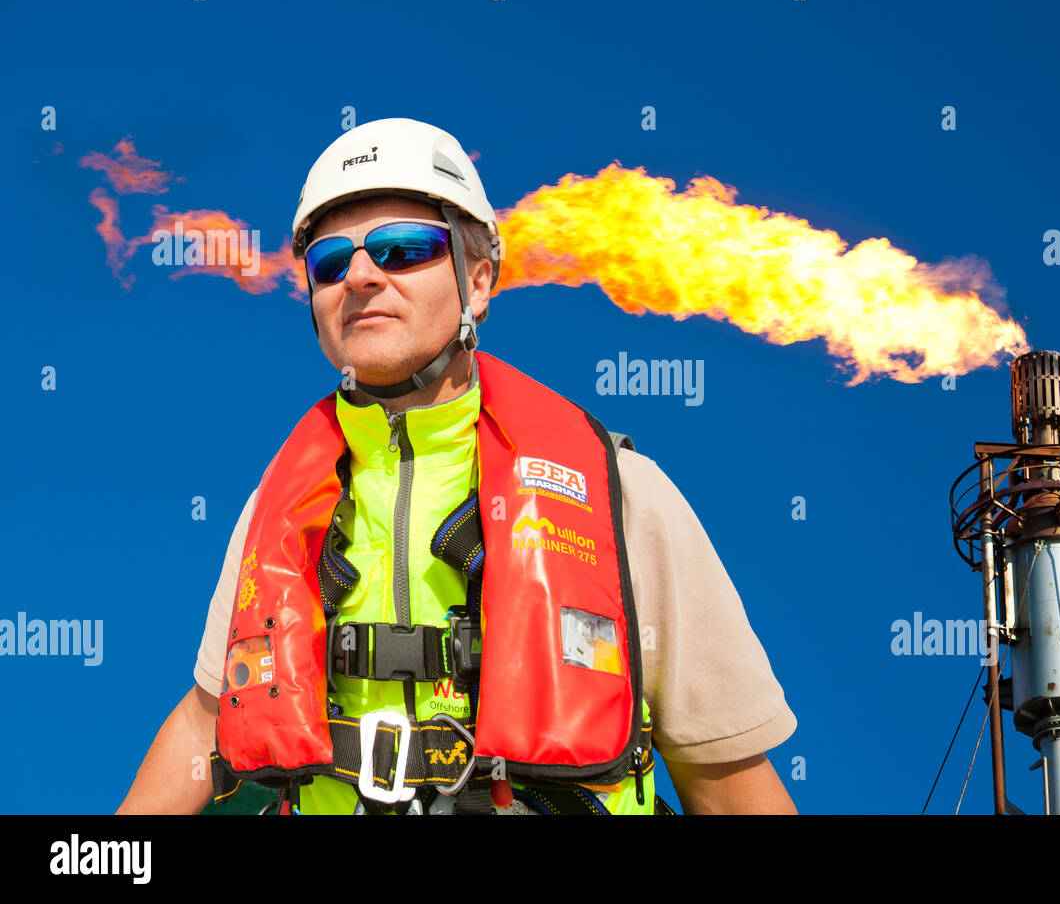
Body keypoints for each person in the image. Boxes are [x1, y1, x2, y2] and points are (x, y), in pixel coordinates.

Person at [117, 118, 797, 815]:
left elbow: (730, 783)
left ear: (477, 282)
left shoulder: (623, 497)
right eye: (330, 261)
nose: (359, 275)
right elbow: (206, 725)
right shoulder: (279, 504)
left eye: (403, 249)